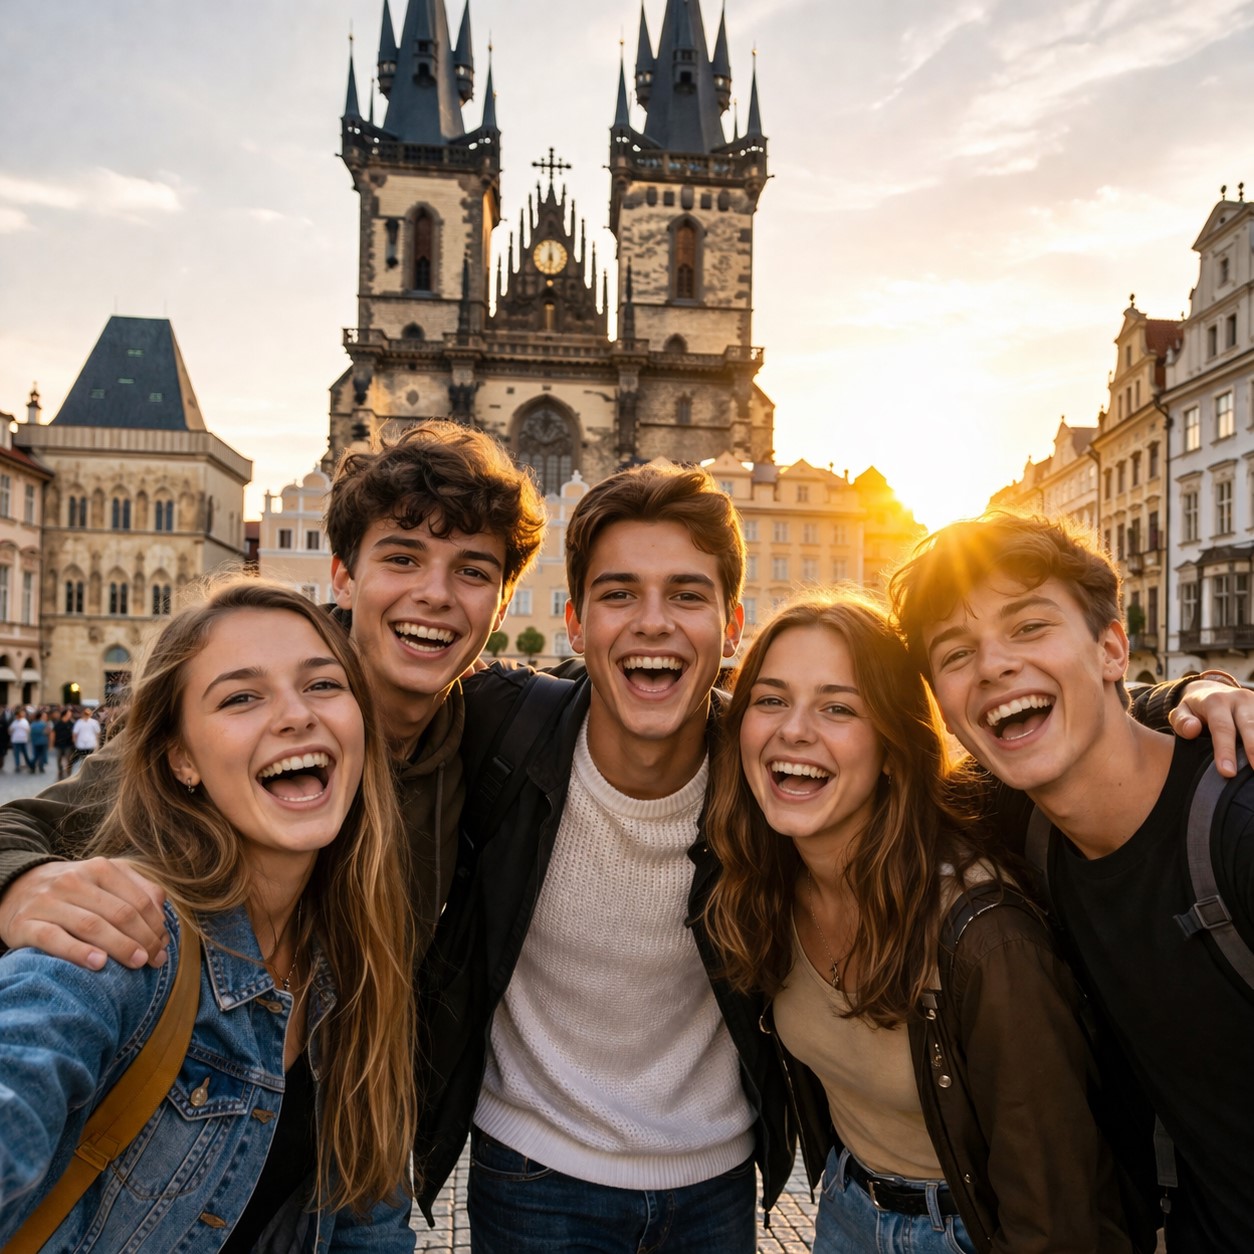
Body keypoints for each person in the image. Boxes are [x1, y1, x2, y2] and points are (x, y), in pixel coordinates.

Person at [0, 419, 546, 973]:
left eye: (472, 572)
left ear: (501, 607)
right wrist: (23, 884)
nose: (435, 594)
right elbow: (21, 827)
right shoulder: (252, 701)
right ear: (344, 579)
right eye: (402, 559)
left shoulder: (489, 719)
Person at [419, 463, 792, 1251]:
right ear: (576, 624)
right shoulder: (499, 729)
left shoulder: (772, 772)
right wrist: (133, 858)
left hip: (716, 1184)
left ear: (732, 627)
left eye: (686, 595)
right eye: (619, 594)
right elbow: (345, 712)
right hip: (532, 1178)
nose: (653, 622)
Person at [703, 592, 1137, 1253]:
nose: (794, 730)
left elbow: (1057, 1214)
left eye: (838, 708)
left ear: (893, 746)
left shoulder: (984, 936)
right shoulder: (766, 883)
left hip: (964, 1230)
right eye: (770, 700)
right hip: (844, 1204)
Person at [0, 578, 417, 1249]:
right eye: (241, 697)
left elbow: (370, 1219)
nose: (296, 715)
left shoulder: (356, 958)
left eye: (322, 685)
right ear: (182, 758)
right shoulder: (124, 939)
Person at [889, 513, 1254, 1253]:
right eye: (956, 653)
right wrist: (1194, 688)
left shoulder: (1239, 828)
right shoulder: (1013, 814)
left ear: (1112, 648)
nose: (993, 666)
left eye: (1029, 626)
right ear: (945, 710)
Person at [53, 707, 74, 780]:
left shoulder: (71, 723)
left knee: (69, 759)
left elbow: (74, 733)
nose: (70, 715)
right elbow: (53, 733)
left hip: (68, 744)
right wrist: (51, 744)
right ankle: (60, 772)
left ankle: (69, 773)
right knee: (59, 759)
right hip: (59, 744)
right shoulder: (58, 724)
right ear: (64, 714)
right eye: (69, 714)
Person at [27, 709, 49, 774]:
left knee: (36, 755)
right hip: (43, 741)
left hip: (35, 742)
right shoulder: (43, 724)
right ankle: (41, 767)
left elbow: (30, 733)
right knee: (41, 755)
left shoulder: (32, 724)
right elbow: (47, 732)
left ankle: (32, 765)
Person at [9, 708, 30, 773]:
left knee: (25, 753)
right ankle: (17, 766)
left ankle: (28, 763)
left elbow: (28, 730)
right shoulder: (14, 722)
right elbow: (10, 730)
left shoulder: (25, 721)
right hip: (16, 740)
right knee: (16, 754)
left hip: (23, 740)